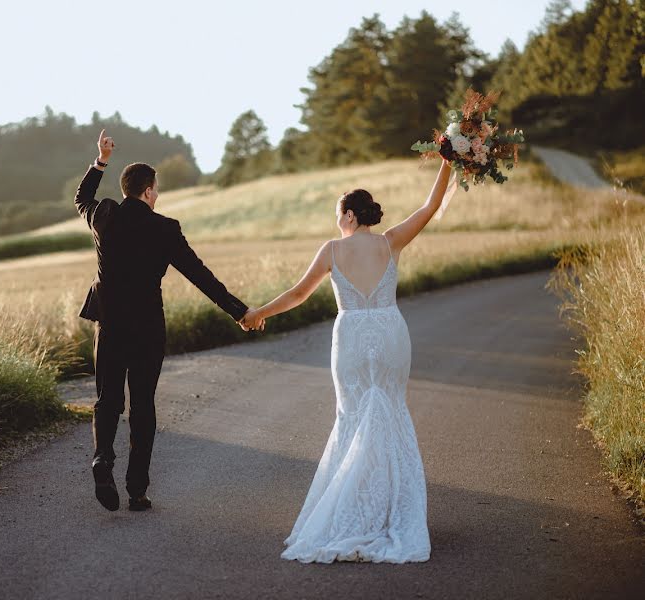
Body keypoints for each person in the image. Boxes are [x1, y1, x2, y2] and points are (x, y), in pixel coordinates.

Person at [241, 157, 453, 563]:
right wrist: (447, 161)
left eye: (337, 215)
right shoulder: (390, 242)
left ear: (350, 216)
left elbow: (299, 293)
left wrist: (259, 314)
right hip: (391, 332)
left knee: (354, 417)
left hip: (352, 336)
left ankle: (356, 509)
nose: (335, 221)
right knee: (389, 411)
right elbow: (429, 207)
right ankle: (392, 511)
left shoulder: (333, 250)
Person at [75, 130, 262, 512]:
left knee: (107, 399)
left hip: (109, 326)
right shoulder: (165, 229)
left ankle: (102, 459)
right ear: (147, 192)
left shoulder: (104, 216)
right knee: (143, 404)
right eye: (155, 190)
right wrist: (239, 311)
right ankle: (137, 490)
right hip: (147, 329)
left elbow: (82, 198)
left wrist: (101, 160)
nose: (156, 195)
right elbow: (200, 275)